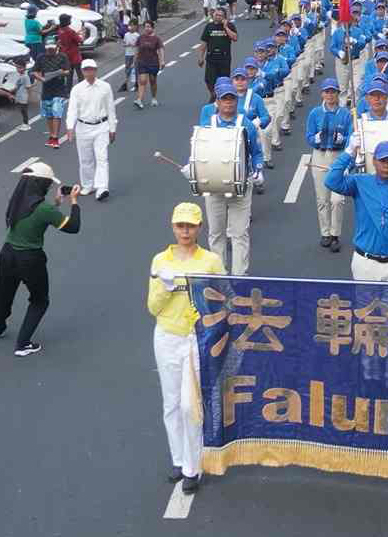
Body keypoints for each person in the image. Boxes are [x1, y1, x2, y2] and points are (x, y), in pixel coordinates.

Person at [147, 202, 225, 496]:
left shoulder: (211, 261)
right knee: (171, 404)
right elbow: (153, 307)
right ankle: (178, 461)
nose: (185, 231)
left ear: (200, 228)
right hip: (167, 335)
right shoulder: (159, 261)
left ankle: (193, 466)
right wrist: (165, 287)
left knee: (190, 405)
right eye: (180, 225)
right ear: (172, 226)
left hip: (198, 338)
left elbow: (223, 298)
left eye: (190, 225)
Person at [0, 162, 80, 357]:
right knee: (39, 300)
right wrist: (74, 201)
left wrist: (56, 202)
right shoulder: (44, 210)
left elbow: (38, 214)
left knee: (3, 293)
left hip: (7, 254)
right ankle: (23, 344)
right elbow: (73, 227)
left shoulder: (16, 202)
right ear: (40, 185)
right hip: (31, 260)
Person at [324, 139, 388, 283]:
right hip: (365, 263)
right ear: (373, 161)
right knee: (365, 306)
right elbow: (331, 180)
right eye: (382, 160)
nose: (386, 165)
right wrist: (349, 153)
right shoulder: (359, 182)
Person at [195, 79, 263, 275]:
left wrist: (258, 169)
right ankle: (219, 276)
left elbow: (256, 152)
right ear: (218, 102)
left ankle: (240, 276)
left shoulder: (246, 124)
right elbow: (200, 151)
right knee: (216, 233)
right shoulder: (208, 125)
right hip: (215, 186)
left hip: (241, 185)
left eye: (232, 99)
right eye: (225, 99)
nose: (229, 103)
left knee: (239, 233)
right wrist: (194, 170)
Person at [306, 78, 353, 251]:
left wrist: (344, 140)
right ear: (322, 94)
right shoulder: (315, 113)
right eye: (327, 91)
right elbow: (309, 136)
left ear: (338, 94)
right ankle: (325, 232)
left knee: (337, 199)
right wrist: (315, 139)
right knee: (322, 198)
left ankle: (335, 234)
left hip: (338, 156)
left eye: (333, 91)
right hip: (320, 154)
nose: (330, 95)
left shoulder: (346, 114)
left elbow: (351, 136)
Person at [65, 58, 117, 201]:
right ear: (82, 71)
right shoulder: (77, 89)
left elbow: (110, 109)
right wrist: (70, 128)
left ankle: (102, 187)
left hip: (101, 127)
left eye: (92, 69)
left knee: (102, 158)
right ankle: (88, 185)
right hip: (83, 128)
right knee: (86, 159)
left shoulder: (105, 87)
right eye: (86, 70)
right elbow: (72, 110)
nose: (89, 72)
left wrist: (113, 128)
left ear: (96, 70)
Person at [36, 39, 71, 148]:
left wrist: (59, 73)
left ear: (56, 47)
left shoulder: (62, 57)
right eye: (48, 49)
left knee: (57, 112)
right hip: (46, 89)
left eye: (52, 48)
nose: (50, 51)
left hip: (59, 89)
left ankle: (55, 137)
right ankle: (51, 135)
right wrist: (40, 78)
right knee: (49, 114)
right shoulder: (40, 57)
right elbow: (34, 71)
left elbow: (67, 71)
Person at [197, 7, 237, 102]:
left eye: (220, 15)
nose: (218, 17)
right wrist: (200, 57)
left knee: (224, 80)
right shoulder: (209, 27)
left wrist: (226, 27)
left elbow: (235, 38)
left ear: (224, 17)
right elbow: (204, 43)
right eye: (216, 15)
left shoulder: (229, 25)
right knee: (208, 80)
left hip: (224, 57)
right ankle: (213, 94)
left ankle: (222, 97)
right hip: (211, 57)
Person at [2, 58, 34, 132]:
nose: (18, 69)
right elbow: (18, 86)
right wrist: (12, 91)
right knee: (22, 110)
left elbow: (28, 87)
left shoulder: (25, 77)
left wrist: (29, 97)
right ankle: (24, 123)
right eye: (17, 67)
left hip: (24, 97)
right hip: (20, 96)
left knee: (24, 111)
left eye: (20, 67)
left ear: (24, 67)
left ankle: (26, 124)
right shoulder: (20, 75)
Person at [56, 14, 83, 83]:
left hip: (66, 56)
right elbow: (80, 40)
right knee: (80, 74)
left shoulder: (60, 30)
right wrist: (82, 35)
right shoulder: (70, 31)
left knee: (69, 76)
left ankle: (68, 91)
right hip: (74, 56)